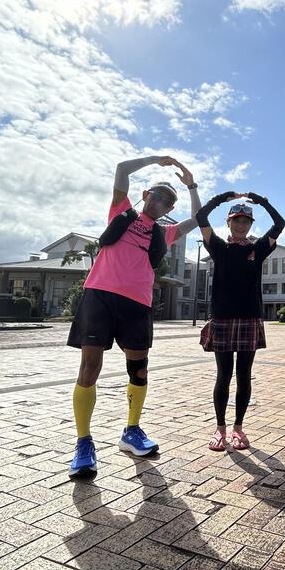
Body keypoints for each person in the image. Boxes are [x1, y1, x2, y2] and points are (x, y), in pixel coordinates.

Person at [67, 155, 200, 479]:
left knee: (138, 369)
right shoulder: (121, 212)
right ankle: (84, 444)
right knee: (90, 367)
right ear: (145, 196)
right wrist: (157, 159)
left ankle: (132, 431)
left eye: (169, 201)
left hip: (137, 305)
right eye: (158, 195)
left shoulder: (163, 234)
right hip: (100, 295)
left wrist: (191, 184)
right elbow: (121, 169)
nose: (163, 202)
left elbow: (198, 219)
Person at [195, 191, 285, 451]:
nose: (241, 225)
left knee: (244, 375)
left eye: (245, 221)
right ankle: (220, 428)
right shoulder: (218, 247)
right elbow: (201, 216)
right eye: (236, 220)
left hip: (249, 317)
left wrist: (264, 201)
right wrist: (222, 198)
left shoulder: (258, 249)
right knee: (223, 375)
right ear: (229, 223)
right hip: (222, 317)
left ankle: (238, 428)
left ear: (250, 225)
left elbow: (280, 224)